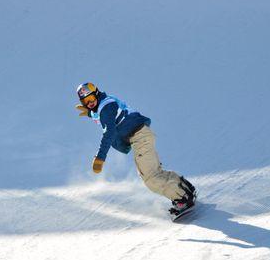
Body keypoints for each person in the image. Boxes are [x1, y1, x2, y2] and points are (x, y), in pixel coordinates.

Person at [75, 82, 196, 216]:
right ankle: (186, 189)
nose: (89, 103)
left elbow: (109, 132)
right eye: (85, 101)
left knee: (151, 177)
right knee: (154, 172)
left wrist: (100, 157)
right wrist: (91, 114)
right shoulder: (105, 104)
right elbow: (107, 115)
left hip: (139, 137)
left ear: (97, 94)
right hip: (141, 136)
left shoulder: (105, 107)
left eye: (91, 99)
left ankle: (183, 199)